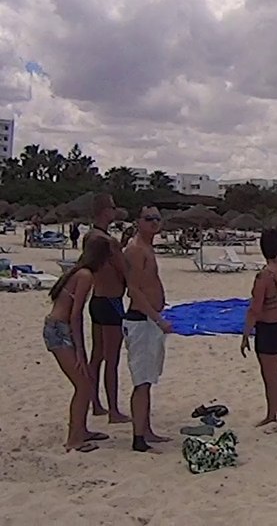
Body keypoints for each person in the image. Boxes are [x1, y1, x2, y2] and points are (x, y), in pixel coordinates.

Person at [44, 236, 112, 452]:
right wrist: (80, 351)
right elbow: (76, 316)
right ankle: (74, 439)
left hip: (57, 328)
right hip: (59, 330)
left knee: (85, 382)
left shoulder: (77, 272)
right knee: (83, 385)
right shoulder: (85, 276)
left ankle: (81, 430)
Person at [122, 206, 173, 452]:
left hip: (150, 319)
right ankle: (138, 438)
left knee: (148, 379)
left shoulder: (147, 248)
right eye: (148, 219)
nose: (154, 223)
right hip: (142, 320)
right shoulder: (135, 250)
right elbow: (133, 289)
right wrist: (156, 317)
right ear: (138, 222)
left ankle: (146, 430)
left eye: (157, 218)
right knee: (141, 381)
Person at [83, 193, 131, 423]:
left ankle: (95, 403)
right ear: (105, 211)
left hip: (96, 300)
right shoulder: (108, 242)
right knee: (112, 360)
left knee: (97, 356)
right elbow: (123, 270)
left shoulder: (90, 237)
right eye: (112, 208)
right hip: (112, 302)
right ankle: (113, 410)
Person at [241, 228, 277, 432]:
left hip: (268, 329)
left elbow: (255, 308)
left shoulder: (264, 276)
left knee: (273, 377)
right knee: (269, 375)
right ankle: (272, 414)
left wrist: (246, 333)